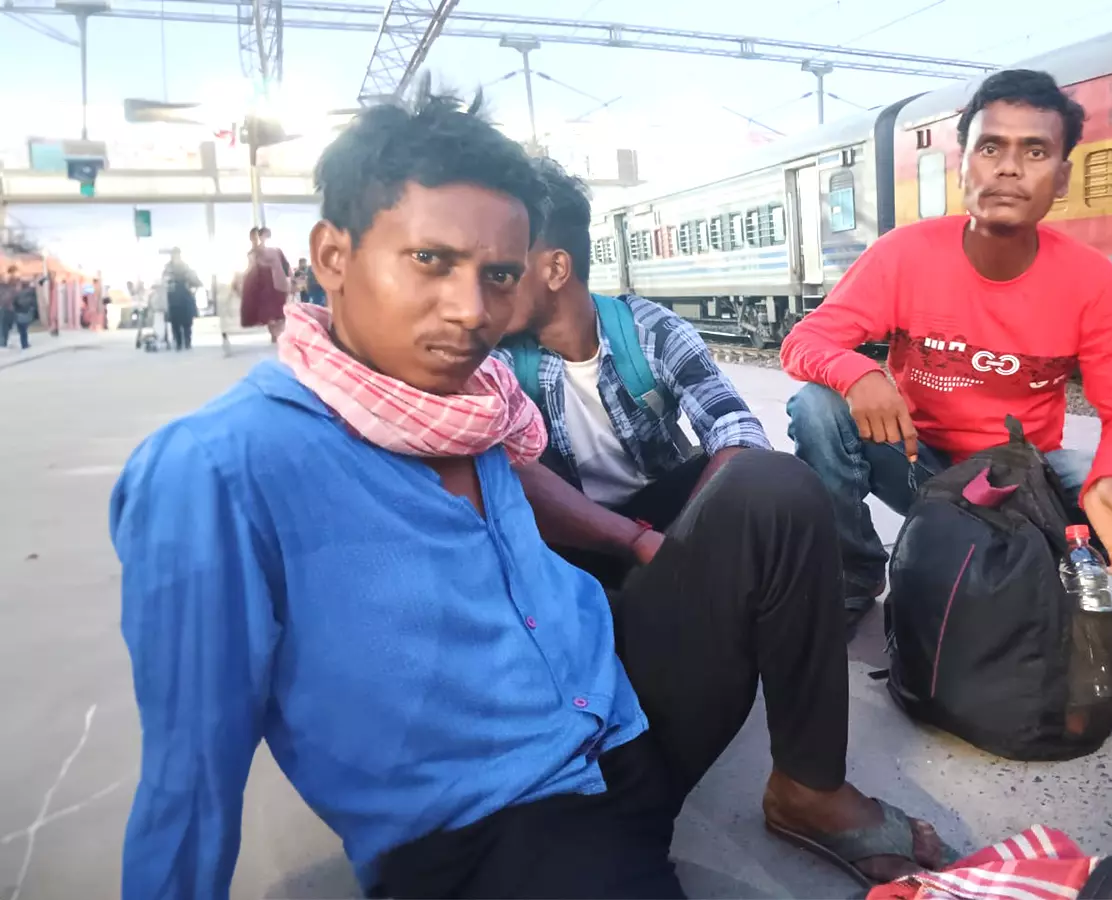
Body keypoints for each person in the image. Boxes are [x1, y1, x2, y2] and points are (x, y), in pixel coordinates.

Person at [112, 86, 950, 900]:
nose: (472, 310)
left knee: (772, 487)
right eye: (431, 261)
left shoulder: (469, 406)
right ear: (333, 256)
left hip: (622, 713)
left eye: (499, 273)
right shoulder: (220, 469)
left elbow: (527, 475)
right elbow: (189, 780)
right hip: (499, 824)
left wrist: (632, 542)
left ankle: (807, 788)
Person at [782, 69, 1112, 628]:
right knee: (817, 407)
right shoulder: (904, 255)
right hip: (918, 466)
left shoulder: (1091, 280)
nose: (1008, 166)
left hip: (1026, 477)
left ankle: (1038, 553)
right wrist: (858, 373)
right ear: (962, 168)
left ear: (1061, 179)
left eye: (1034, 151)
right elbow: (804, 341)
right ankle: (855, 570)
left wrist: (1110, 482)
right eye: (989, 147)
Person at [495, 159, 773, 589]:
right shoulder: (497, 360)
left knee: (773, 481)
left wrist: (673, 545)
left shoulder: (649, 331)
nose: (481, 290)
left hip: (662, 516)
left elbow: (737, 431)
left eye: (502, 271)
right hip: (569, 533)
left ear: (555, 269)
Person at [239, 226, 291, 341]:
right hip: (263, 283)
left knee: (277, 310)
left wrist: (290, 280)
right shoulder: (255, 251)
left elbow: (286, 266)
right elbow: (251, 265)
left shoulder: (275, 250)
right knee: (270, 310)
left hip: (275, 281)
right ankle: (275, 334)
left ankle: (277, 333)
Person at [163, 250, 202, 351]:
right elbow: (164, 282)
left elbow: (197, 282)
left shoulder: (185, 267)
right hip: (175, 298)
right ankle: (179, 342)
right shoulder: (168, 268)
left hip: (184, 297)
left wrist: (192, 288)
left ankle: (186, 342)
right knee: (176, 322)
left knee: (186, 323)